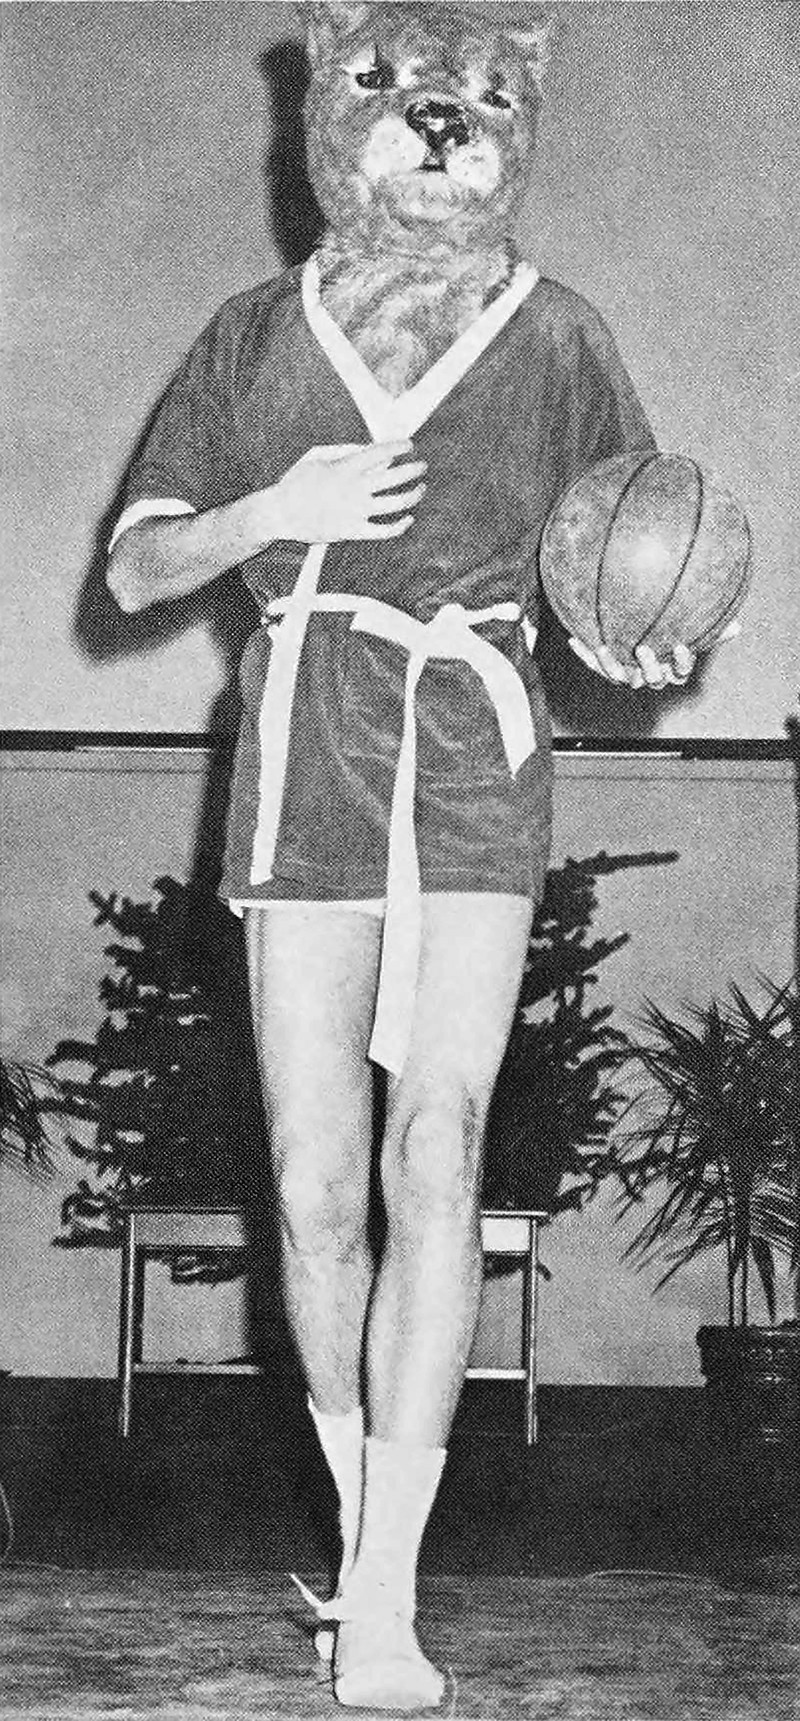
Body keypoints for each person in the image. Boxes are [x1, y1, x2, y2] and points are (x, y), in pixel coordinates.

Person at [106, 3, 695, 1708]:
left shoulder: (562, 334)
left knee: (435, 1148)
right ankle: (360, 1513)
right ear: (325, 103)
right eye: (394, 90)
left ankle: (385, 1592)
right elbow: (136, 572)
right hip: (307, 735)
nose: (440, 120)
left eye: (479, 98)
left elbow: (613, 567)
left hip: (474, 747)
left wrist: (644, 637)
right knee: (312, 1181)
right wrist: (269, 512)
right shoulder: (249, 334)